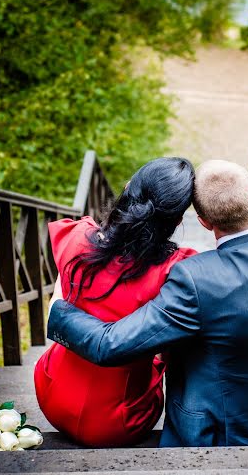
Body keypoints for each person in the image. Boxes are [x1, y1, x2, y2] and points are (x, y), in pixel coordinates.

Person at [47, 159, 248, 447]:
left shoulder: (194, 276)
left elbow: (110, 344)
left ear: (204, 223)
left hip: (221, 432)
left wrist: (57, 309)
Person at [34, 157, 196, 447]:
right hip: (120, 422)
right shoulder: (176, 269)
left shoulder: (77, 237)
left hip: (51, 396)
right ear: (179, 219)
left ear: (127, 188)